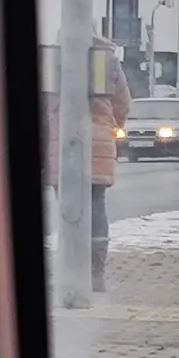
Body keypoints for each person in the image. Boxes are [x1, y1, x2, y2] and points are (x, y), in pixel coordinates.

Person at [43, 30, 132, 292]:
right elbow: (123, 102)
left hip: (63, 145)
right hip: (99, 144)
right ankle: (95, 272)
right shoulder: (107, 59)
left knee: (67, 208)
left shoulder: (53, 59)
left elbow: (46, 103)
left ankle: (70, 268)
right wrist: (112, 123)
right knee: (96, 208)